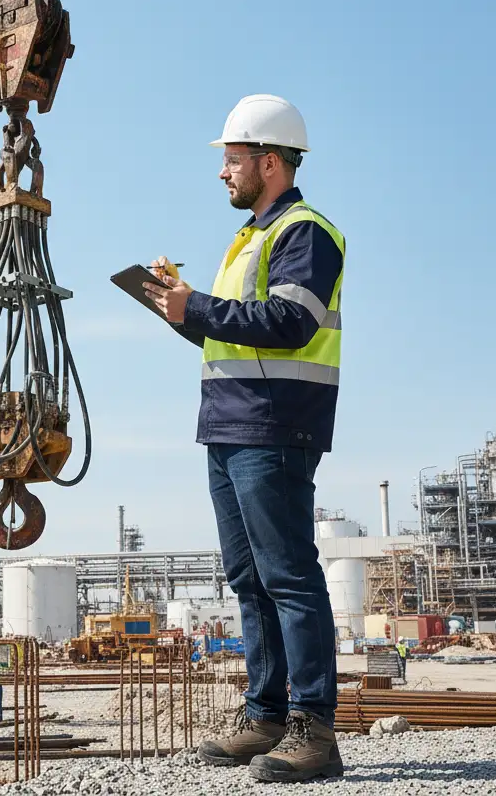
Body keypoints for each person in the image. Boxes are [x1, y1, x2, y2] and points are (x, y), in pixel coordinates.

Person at [143, 94, 345, 784]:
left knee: (289, 576)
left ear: (269, 162)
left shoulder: (306, 232)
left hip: (276, 423)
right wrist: (179, 308)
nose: (222, 172)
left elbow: (289, 323)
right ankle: (265, 716)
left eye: (232, 160)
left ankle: (314, 730)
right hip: (230, 425)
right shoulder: (248, 238)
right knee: (250, 580)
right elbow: (230, 332)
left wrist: (197, 306)